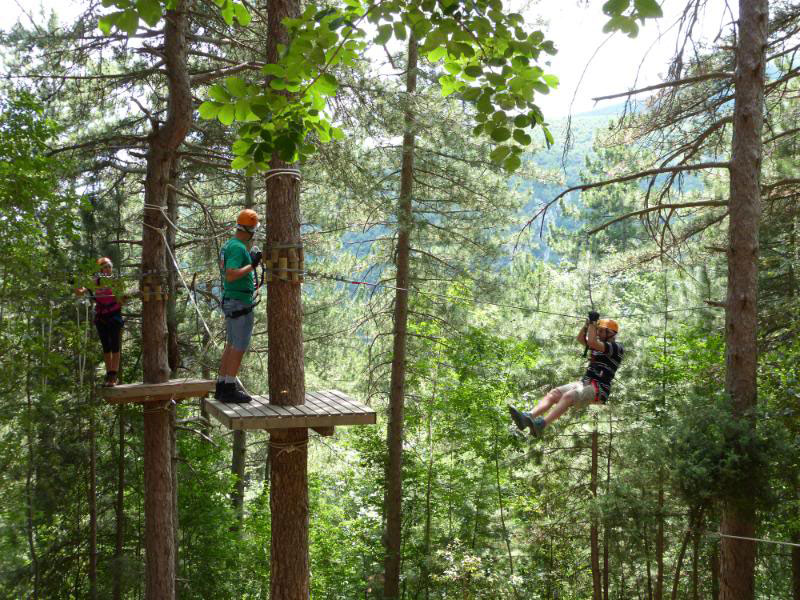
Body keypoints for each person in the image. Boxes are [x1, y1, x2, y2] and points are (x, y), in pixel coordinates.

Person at [509, 312, 624, 436]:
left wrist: (592, 324)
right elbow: (580, 339)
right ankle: (527, 417)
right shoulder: (599, 345)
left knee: (569, 396)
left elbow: (591, 342)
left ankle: (541, 425)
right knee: (554, 393)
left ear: (611, 333)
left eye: (601, 331)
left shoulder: (616, 347)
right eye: (598, 330)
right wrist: (586, 326)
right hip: (585, 383)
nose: (598, 333)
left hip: (599, 389)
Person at [215, 208, 262, 403]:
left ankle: (222, 385)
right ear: (251, 229)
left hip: (234, 299)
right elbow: (231, 274)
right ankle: (228, 388)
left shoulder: (230, 245)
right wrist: (252, 265)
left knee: (232, 344)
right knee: (239, 346)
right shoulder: (237, 247)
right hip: (238, 301)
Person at [77, 257, 128, 387]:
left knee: (115, 345)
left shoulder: (116, 281)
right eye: (104, 267)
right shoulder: (94, 282)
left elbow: (121, 299)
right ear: (100, 270)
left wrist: (124, 298)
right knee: (106, 347)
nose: (107, 269)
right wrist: (78, 284)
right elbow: (80, 292)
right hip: (101, 318)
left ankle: (113, 376)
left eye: (109, 267)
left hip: (114, 316)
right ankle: (109, 374)